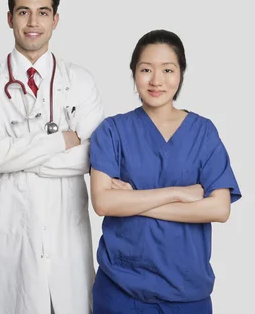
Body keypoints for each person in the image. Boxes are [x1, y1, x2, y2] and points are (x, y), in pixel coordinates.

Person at [0, 0, 105, 314]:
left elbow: (95, 156)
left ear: (55, 20)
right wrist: (61, 140)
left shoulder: (81, 80)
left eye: (43, 13)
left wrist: (19, 153)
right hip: (10, 233)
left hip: (66, 235)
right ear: (9, 18)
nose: (33, 22)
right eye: (23, 12)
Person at [89, 29, 242, 313]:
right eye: (146, 69)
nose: (156, 80)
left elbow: (219, 209)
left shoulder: (203, 132)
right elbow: (103, 202)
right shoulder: (112, 131)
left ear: (181, 73)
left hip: (187, 292)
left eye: (168, 70)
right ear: (134, 72)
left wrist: (134, 202)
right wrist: (179, 193)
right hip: (121, 291)